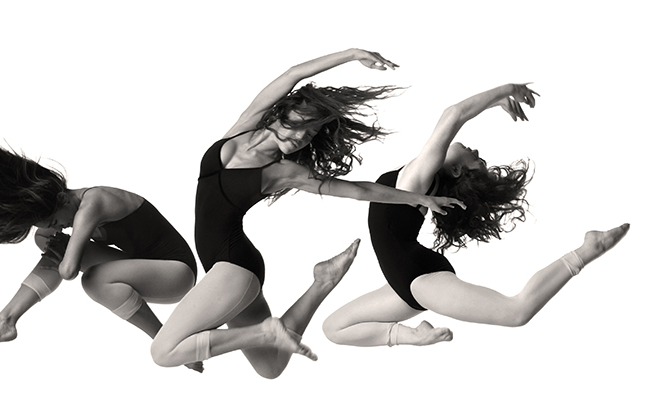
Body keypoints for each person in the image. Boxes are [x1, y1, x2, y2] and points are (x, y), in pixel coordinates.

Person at [149, 49, 464, 378]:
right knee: (271, 366)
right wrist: (353, 53)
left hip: (234, 266)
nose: (301, 138)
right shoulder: (242, 128)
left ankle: (267, 332)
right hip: (222, 264)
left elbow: (361, 190)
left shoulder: (284, 172)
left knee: (163, 351)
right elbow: (292, 74)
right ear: (277, 113)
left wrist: (418, 199)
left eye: (310, 134)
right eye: (299, 125)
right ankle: (322, 283)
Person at [322, 83, 630, 347]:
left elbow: (453, 115)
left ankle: (588, 250)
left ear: (455, 169)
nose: (477, 153)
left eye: (475, 160)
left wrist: (506, 90)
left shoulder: (418, 179)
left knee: (516, 312)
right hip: (402, 281)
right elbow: (454, 118)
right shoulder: (420, 180)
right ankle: (411, 336)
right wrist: (495, 102)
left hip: (420, 279)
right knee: (333, 328)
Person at [0, 110, 201, 370]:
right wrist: (52, 240)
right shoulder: (68, 214)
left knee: (93, 279)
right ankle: (6, 318)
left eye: (56, 221)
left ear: (63, 199)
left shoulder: (93, 202)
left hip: (176, 272)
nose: (60, 226)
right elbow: (49, 244)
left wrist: (61, 247)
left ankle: (167, 341)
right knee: (50, 244)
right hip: (143, 265)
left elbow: (68, 270)